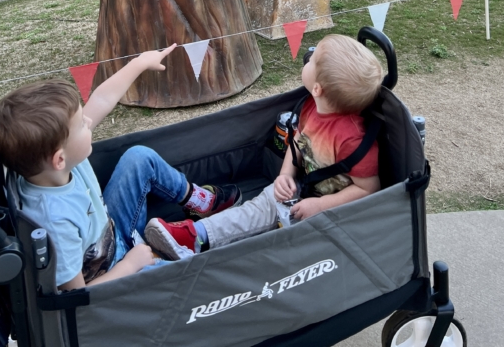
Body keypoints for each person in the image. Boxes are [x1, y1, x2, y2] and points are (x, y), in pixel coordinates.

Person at [0, 45, 241, 290]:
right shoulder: (54, 220)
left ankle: (199, 203)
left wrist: (140, 63)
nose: (88, 120)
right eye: (81, 124)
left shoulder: (57, 163)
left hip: (114, 230)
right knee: (191, 277)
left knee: (139, 157)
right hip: (113, 274)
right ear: (59, 159)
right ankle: (166, 251)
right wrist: (131, 264)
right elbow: (75, 295)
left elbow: (103, 98)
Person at [145, 34, 382, 260]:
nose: (307, 57)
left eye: (314, 58)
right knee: (261, 206)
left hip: (332, 213)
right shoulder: (312, 106)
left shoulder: (351, 139)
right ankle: (195, 236)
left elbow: (369, 189)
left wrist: (320, 206)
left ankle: (195, 242)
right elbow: (298, 144)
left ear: (318, 88)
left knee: (264, 222)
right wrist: (285, 175)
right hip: (303, 191)